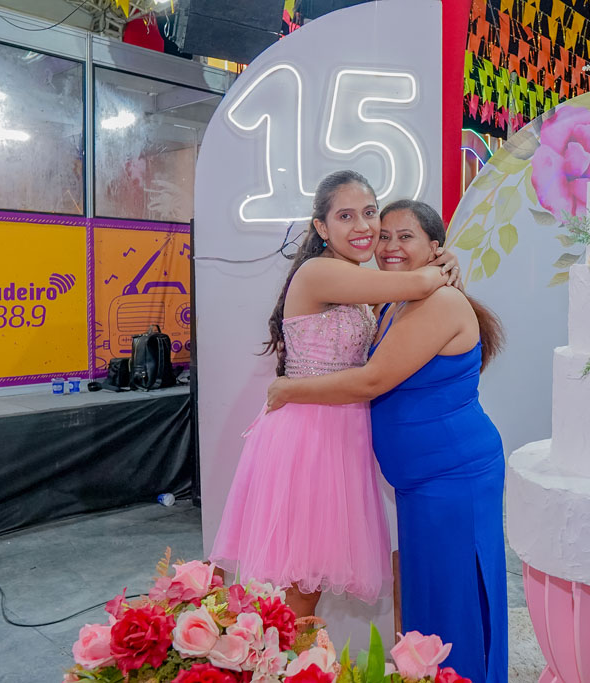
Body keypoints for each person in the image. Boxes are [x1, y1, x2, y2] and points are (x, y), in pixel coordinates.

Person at [267, 199, 508, 683]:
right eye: (385, 236)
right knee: (429, 592)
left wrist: (287, 389)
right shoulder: (397, 300)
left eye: (406, 236)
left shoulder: (439, 302)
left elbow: (372, 380)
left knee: (454, 595)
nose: (390, 245)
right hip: (422, 483)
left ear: (434, 247)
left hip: (453, 477)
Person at [209, 171, 454, 619]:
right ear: (322, 227)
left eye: (369, 212)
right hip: (309, 434)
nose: (363, 226)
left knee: (311, 581)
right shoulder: (320, 272)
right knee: (300, 585)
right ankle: (281, 656)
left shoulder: (355, 279)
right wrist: (445, 262)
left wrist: (443, 260)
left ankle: (293, 655)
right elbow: (419, 284)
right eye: (346, 216)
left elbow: (412, 290)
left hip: (343, 432)